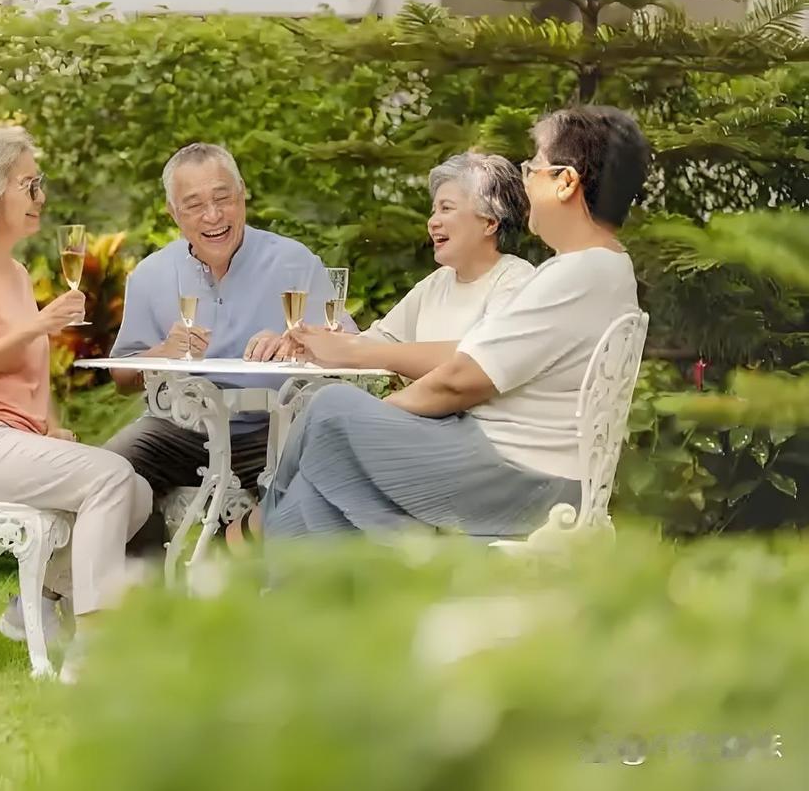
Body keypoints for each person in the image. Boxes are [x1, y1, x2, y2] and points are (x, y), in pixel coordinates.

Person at [260, 105, 651, 542]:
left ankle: (251, 535)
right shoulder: (598, 268)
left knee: (330, 410)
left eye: (532, 168)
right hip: (513, 466)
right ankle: (285, 577)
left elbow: (459, 381)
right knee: (317, 497)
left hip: (515, 477)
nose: (524, 181)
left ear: (566, 182)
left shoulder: (574, 274)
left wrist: (371, 423)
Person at [0, 126, 151, 680]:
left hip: (6, 439)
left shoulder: (14, 271)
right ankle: (92, 642)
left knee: (136, 491)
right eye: (30, 184)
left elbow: (24, 377)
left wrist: (49, 426)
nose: (41, 196)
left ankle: (36, 600)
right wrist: (36, 327)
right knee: (113, 478)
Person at [102, 142, 357, 552]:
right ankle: (143, 592)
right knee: (109, 470)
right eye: (195, 204)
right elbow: (122, 376)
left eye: (223, 198)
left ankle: (249, 568)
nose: (213, 215)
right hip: (179, 430)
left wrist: (300, 340)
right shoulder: (151, 274)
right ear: (174, 213)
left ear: (242, 195)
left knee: (332, 475)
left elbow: (347, 346)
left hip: (273, 430)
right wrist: (163, 352)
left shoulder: (293, 261)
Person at [262, 152, 534, 379]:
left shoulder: (515, 280)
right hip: (424, 421)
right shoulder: (437, 283)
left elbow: (480, 358)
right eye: (433, 211)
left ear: (490, 222)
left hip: (479, 431)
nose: (433, 221)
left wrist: (353, 352)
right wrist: (314, 342)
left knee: (329, 411)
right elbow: (377, 341)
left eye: (446, 208)